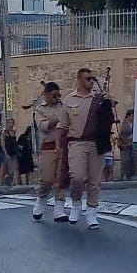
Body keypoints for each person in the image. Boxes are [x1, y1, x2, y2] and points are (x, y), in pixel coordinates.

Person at [59, 67, 104, 227]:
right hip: (76, 142)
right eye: (87, 79)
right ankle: (76, 203)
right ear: (79, 80)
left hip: (96, 143)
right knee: (77, 177)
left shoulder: (99, 99)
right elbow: (63, 126)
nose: (91, 81)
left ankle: (92, 213)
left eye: (92, 78)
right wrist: (60, 147)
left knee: (95, 181)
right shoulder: (69, 100)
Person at [29, 82, 65, 220]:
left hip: (62, 145)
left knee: (61, 179)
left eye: (58, 95)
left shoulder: (64, 106)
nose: (57, 98)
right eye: (54, 95)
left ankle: (59, 210)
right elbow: (43, 126)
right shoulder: (40, 109)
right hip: (48, 146)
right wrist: (57, 119)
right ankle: (41, 199)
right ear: (47, 95)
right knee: (47, 178)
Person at [116, 109, 137, 180]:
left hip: (133, 143)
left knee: (133, 158)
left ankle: (133, 174)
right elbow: (119, 133)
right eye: (132, 115)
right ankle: (124, 174)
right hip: (124, 143)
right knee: (125, 159)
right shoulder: (123, 123)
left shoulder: (135, 123)